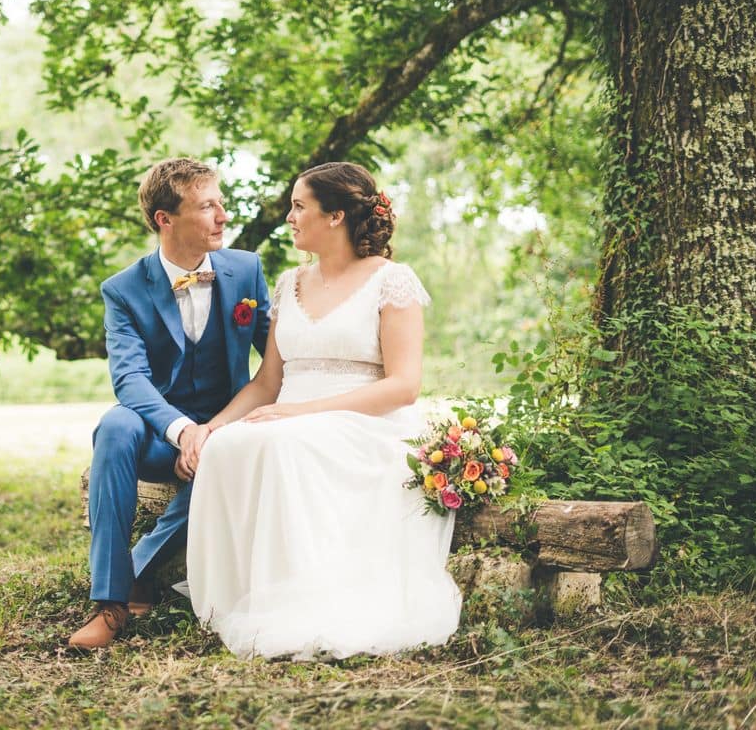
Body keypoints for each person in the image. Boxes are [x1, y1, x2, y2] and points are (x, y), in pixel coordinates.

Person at [184, 161, 461, 660]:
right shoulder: (289, 283)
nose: (289, 217)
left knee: (285, 444)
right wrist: (212, 426)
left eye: (299, 206)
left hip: (367, 424)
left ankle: (299, 601)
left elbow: (403, 386)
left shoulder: (392, 281)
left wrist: (302, 413)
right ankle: (233, 600)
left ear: (335, 216)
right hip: (287, 418)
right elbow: (268, 383)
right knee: (226, 446)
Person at [67, 158, 271, 650]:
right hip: (159, 434)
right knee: (115, 426)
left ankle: (135, 570)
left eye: (221, 203)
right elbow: (129, 379)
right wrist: (182, 432)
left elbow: (275, 358)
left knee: (230, 461)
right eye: (207, 207)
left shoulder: (246, 270)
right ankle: (110, 605)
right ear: (166, 219)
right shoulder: (123, 289)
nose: (223, 216)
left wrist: (213, 433)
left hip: (228, 429)